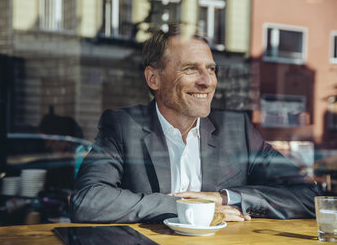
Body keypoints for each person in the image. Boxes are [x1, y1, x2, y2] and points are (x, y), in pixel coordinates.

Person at [70, 24, 320, 223]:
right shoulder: (124, 126)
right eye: (191, 69)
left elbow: (309, 197)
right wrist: (187, 208)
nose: (207, 81)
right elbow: (88, 201)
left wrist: (225, 198)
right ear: (153, 78)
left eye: (210, 70)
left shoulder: (237, 130)